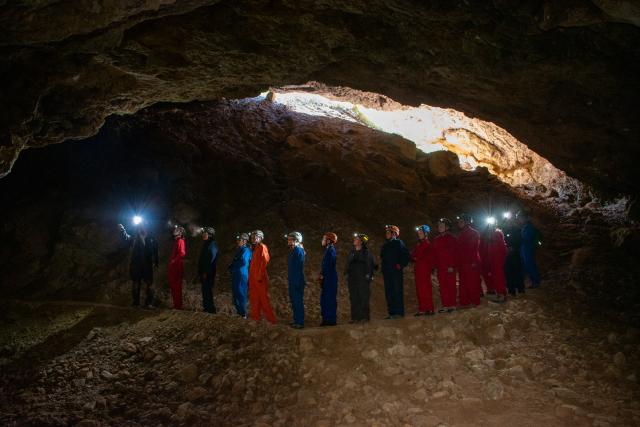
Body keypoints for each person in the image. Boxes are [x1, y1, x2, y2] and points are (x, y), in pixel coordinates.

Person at [118, 222, 159, 308]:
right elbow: (126, 238)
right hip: (137, 264)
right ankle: (136, 303)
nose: (142, 227)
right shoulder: (135, 237)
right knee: (136, 283)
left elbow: (155, 251)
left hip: (147, 265)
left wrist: (156, 262)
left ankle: (149, 304)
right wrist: (123, 231)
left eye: (144, 226)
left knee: (149, 284)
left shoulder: (152, 238)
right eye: (141, 226)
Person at [344, 233, 377, 323]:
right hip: (353, 279)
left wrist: (368, 275)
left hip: (362, 278)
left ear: (361, 242)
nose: (354, 240)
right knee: (354, 297)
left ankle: (364, 317)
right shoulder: (352, 253)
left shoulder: (366, 253)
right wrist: (346, 273)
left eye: (357, 238)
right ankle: (355, 317)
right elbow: (348, 264)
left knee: (363, 297)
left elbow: (372, 265)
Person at [380, 225, 411, 319]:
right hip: (387, 272)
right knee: (389, 292)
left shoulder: (399, 243)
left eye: (388, 232)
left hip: (396, 272)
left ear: (394, 234)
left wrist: (400, 265)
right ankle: (392, 312)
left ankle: (399, 312)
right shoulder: (385, 245)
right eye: (386, 232)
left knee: (397, 291)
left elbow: (406, 255)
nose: (386, 234)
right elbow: (383, 258)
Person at [248, 230, 276, 324]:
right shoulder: (255, 248)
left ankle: (271, 320)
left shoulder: (262, 247)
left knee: (263, 299)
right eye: (252, 237)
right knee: (254, 298)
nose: (253, 239)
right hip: (254, 279)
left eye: (255, 237)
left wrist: (259, 276)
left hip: (260, 279)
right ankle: (255, 318)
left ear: (260, 238)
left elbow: (265, 261)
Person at [456, 214, 482, 307]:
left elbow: (473, 248)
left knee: (472, 282)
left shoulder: (473, 233)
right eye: (459, 222)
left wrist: (473, 262)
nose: (459, 223)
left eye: (461, 221)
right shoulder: (461, 234)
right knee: (463, 282)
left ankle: (474, 301)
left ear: (467, 222)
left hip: (471, 262)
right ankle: (465, 301)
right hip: (463, 262)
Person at [432, 218, 457, 312]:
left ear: (447, 227)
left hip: (449, 266)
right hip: (440, 266)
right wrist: (434, 266)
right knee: (443, 286)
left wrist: (452, 265)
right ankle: (446, 305)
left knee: (451, 285)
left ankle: (452, 304)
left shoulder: (452, 238)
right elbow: (434, 254)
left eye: (442, 226)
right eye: (439, 226)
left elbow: (455, 253)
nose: (440, 227)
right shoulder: (436, 239)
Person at [481, 221, 508, 303]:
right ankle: (499, 293)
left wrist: (500, 258)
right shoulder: (490, 235)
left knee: (498, 276)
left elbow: (502, 248)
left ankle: (501, 294)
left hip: (497, 259)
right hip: (493, 259)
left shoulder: (497, 234)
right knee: (495, 276)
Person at [411, 225, 434, 316]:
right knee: (419, 289)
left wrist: (418, 258)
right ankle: (422, 308)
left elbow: (427, 257)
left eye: (421, 233)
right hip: (418, 269)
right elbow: (413, 255)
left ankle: (429, 308)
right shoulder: (418, 244)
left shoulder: (428, 244)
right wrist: (416, 258)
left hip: (425, 269)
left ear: (426, 234)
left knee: (426, 288)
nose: (419, 235)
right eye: (418, 233)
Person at [229, 232, 252, 317]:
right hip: (237, 274)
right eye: (238, 240)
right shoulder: (240, 249)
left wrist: (234, 267)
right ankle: (239, 312)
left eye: (240, 240)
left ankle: (243, 313)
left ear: (245, 241)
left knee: (241, 293)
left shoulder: (246, 250)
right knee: (236, 293)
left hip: (241, 274)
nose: (238, 241)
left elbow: (244, 262)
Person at [286, 231, 306, 329]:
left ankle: (300, 322)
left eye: (290, 239)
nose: (288, 240)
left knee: (297, 301)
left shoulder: (298, 251)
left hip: (297, 280)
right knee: (294, 301)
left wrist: (297, 281)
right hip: (293, 279)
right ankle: (296, 320)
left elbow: (299, 267)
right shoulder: (294, 251)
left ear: (296, 240)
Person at [319, 232, 338, 326]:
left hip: (330, 278)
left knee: (329, 298)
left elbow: (329, 265)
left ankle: (330, 320)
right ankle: (326, 319)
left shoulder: (331, 251)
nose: (322, 240)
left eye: (324, 238)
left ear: (329, 241)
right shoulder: (328, 250)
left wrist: (323, 275)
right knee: (325, 298)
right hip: (328, 277)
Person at [198, 227, 218, 314]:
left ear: (209, 235)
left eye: (205, 233)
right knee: (205, 290)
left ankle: (211, 309)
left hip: (209, 272)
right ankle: (206, 308)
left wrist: (206, 271)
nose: (203, 235)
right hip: (205, 271)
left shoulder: (212, 244)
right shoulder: (206, 244)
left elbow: (211, 259)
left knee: (207, 290)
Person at [503, 214, 525, 296]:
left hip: (515, 254)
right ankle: (511, 290)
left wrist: (513, 248)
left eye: (510, 221)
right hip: (508, 254)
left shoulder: (517, 230)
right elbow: (503, 241)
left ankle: (520, 289)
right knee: (509, 271)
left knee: (517, 271)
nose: (509, 223)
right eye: (507, 221)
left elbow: (520, 241)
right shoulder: (504, 230)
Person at [519, 211, 542, 288]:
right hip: (525, 248)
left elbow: (527, 238)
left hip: (528, 248)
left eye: (521, 218)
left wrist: (519, 239)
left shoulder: (529, 227)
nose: (519, 220)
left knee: (530, 265)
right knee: (526, 265)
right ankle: (532, 281)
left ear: (525, 218)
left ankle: (536, 282)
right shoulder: (525, 226)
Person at [168, 225, 186, 309]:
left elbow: (182, 253)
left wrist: (174, 261)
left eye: (177, 230)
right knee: (174, 286)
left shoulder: (180, 241)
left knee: (176, 286)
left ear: (181, 233)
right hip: (174, 267)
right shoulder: (177, 241)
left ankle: (178, 306)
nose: (175, 230)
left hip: (177, 267)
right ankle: (176, 305)